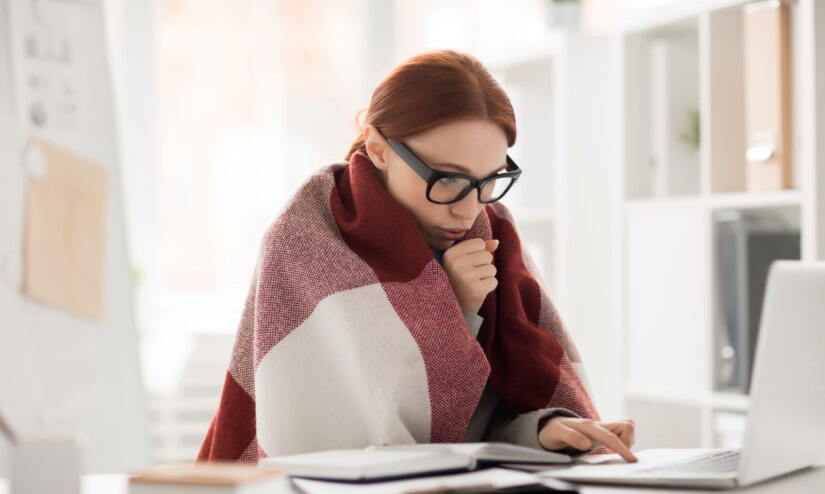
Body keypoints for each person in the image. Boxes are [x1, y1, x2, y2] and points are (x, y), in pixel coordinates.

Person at [198, 50, 636, 464]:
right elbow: (367, 442)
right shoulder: (306, 241)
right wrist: (456, 307)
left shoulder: (494, 232)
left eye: (489, 180)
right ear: (378, 147)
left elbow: (474, 432)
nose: (468, 209)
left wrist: (546, 430)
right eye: (447, 179)